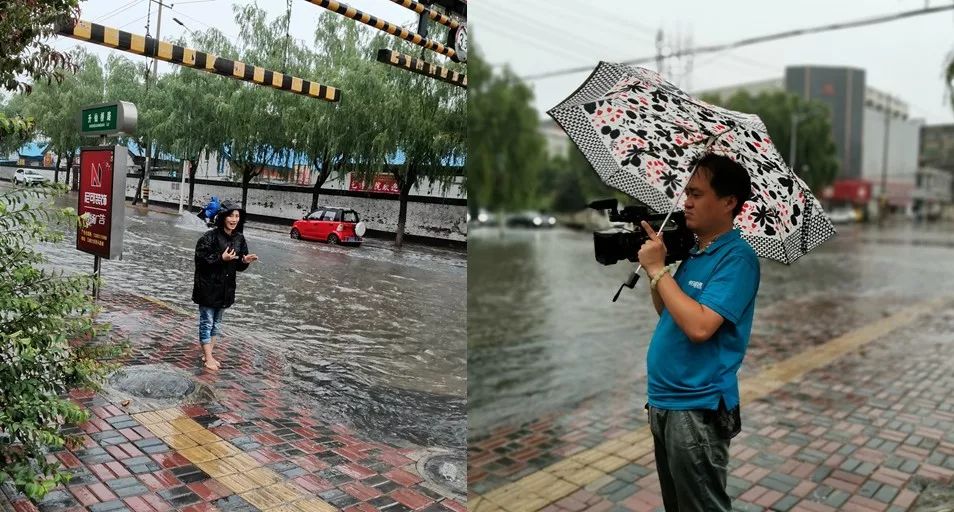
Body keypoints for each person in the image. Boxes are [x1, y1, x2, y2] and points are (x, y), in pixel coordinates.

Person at [637, 153, 759, 512]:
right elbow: (667, 312)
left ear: (728, 202)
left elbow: (700, 327)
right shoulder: (695, 252)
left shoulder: (736, 258)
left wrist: (659, 270)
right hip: (664, 401)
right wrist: (654, 271)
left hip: (697, 408)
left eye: (697, 193)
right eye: (686, 192)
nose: (686, 202)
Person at [192, 200, 258, 370]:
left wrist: (245, 261)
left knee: (217, 323)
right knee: (207, 322)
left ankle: (209, 354)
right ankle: (208, 358)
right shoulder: (209, 237)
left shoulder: (239, 239)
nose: (234, 219)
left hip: (225, 289)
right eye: (230, 215)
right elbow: (201, 260)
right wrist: (221, 258)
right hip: (208, 287)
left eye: (237, 216)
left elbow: (239, 266)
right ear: (222, 217)